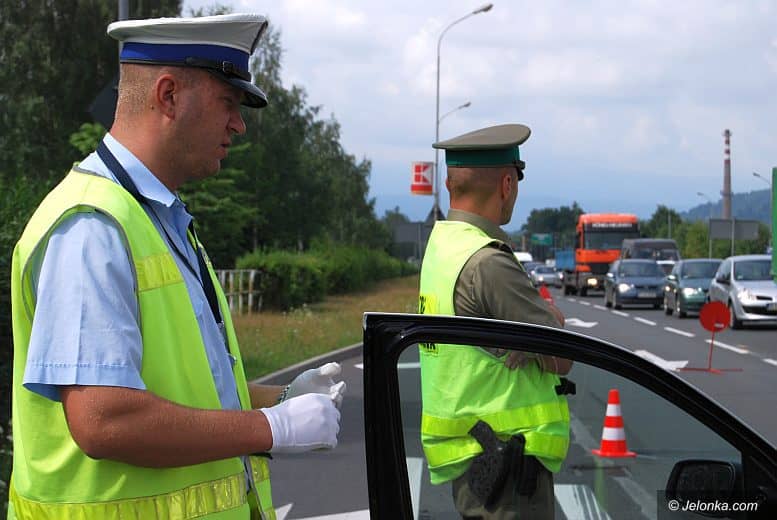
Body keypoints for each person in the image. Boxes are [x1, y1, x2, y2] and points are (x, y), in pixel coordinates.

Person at [8, 14, 344, 520]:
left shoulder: (159, 219)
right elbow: (104, 420)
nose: (239, 124)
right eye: (228, 102)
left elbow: (184, 389)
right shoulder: (92, 227)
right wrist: (272, 428)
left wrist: (278, 399)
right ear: (168, 96)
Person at [418, 124, 572, 519]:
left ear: (450, 185)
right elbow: (561, 356)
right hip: (508, 468)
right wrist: (550, 316)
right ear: (507, 184)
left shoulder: (443, 247)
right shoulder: (488, 262)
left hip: (475, 457)